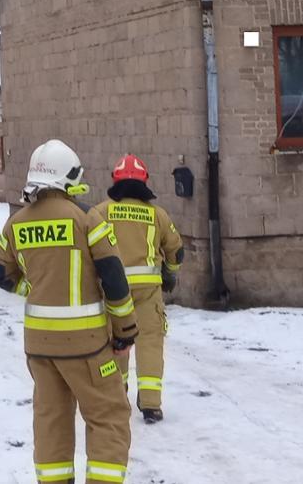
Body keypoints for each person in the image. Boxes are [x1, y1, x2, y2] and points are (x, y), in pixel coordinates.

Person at [0, 140, 139, 484]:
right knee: (108, 416)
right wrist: (125, 331)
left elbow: (0, 275)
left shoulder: (16, 223)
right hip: (86, 346)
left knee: (51, 420)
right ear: (67, 178)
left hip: (40, 348)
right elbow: (115, 280)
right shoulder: (87, 218)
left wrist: (32, 288)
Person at [88, 154, 184, 424]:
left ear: (114, 181)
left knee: (116, 342)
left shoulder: (100, 212)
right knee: (150, 342)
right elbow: (176, 251)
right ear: (145, 182)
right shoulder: (158, 215)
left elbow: (88, 248)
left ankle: (118, 396)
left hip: (113, 291)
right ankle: (151, 404)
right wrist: (170, 276)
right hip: (148, 292)